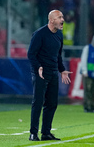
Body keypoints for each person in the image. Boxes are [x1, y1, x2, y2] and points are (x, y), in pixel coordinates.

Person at [27, 10, 72, 141]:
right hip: (40, 73)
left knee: (52, 103)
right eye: (59, 17)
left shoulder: (59, 35)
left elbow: (58, 55)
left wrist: (62, 69)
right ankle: (33, 133)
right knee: (38, 102)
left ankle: (46, 133)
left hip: (53, 73)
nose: (63, 19)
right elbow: (31, 54)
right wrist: (38, 67)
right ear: (51, 20)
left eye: (63, 16)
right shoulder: (39, 34)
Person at [80, 32, 94, 113]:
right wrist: (84, 71)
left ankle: (93, 107)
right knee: (88, 90)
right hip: (87, 73)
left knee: (93, 91)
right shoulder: (88, 48)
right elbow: (83, 59)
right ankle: (87, 107)